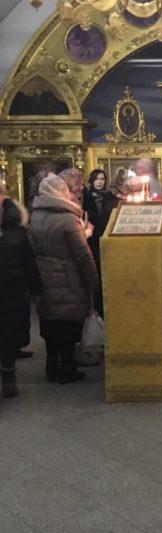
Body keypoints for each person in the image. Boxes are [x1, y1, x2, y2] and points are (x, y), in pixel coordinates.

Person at [30, 176, 98, 384]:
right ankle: (67, 369)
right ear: (61, 192)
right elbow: (82, 254)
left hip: (43, 274)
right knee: (68, 324)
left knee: (50, 320)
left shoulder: (35, 216)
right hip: (68, 277)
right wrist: (93, 279)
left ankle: (51, 366)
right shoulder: (68, 218)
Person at [0, 183, 41, 398]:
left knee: (8, 334)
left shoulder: (16, 228)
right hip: (12, 287)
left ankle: (8, 376)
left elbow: (28, 261)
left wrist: (35, 288)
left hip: (11, 289)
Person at [83, 169, 119, 314]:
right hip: (91, 240)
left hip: (106, 240)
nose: (99, 182)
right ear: (92, 180)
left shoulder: (110, 198)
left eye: (102, 179)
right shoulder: (85, 198)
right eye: (97, 179)